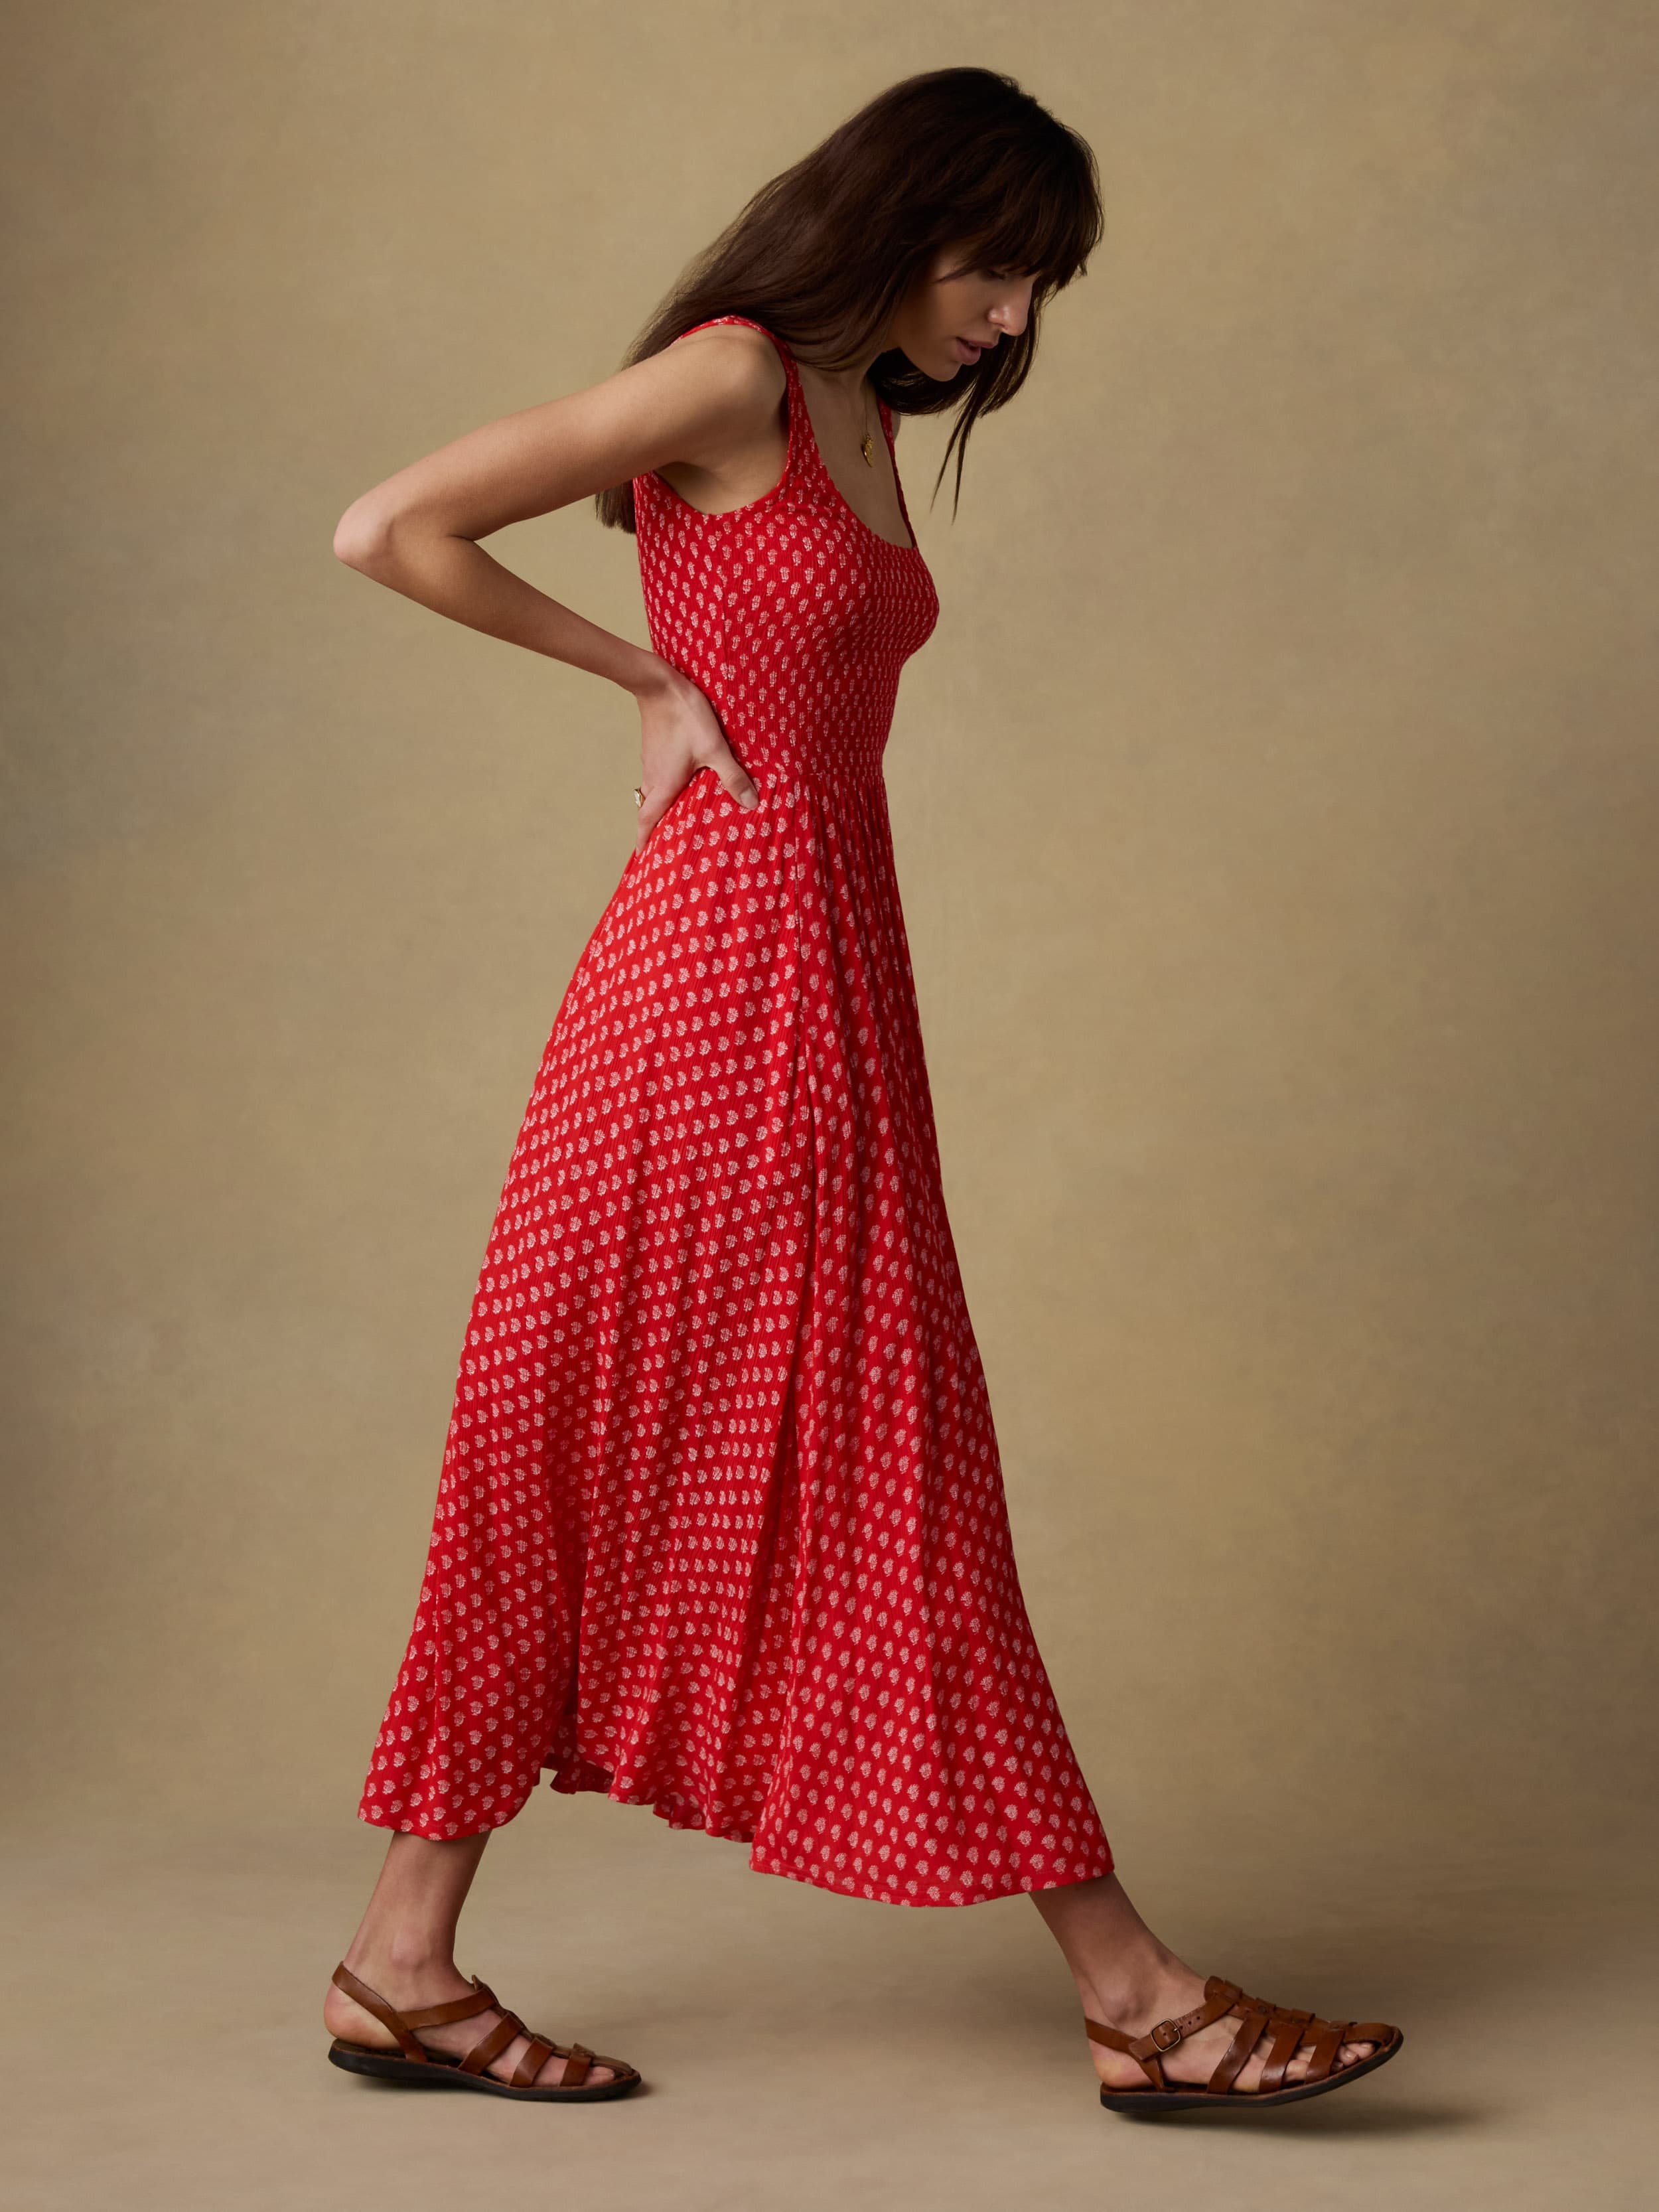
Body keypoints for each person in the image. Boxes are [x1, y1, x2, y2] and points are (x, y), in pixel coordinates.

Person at [323, 66, 1401, 2114]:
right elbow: (387, 527)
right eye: (996, 265)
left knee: (648, 1431)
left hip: (825, 976)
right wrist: (643, 678)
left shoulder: (866, 419)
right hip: (718, 979)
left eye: (1036, 286)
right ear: (893, 218)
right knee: (833, 1444)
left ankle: (401, 1963)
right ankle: (1139, 1995)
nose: (1011, 320)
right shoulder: (732, 376)